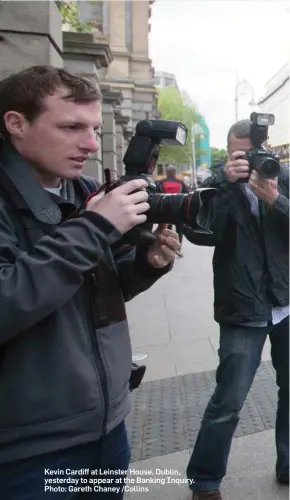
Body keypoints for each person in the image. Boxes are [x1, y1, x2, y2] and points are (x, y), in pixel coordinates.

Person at [0, 65, 181, 500]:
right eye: (71, 127)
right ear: (15, 123)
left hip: (106, 426)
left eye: (95, 128)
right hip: (28, 451)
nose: (90, 144)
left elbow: (92, 293)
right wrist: (96, 227)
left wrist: (145, 264)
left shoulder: (81, 190)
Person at [185, 119, 289, 500]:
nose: (249, 162)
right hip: (242, 307)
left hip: (285, 303)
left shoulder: (282, 177)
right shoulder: (216, 183)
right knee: (228, 399)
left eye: (254, 154)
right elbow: (201, 232)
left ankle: (288, 463)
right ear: (229, 153)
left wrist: (275, 200)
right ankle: (205, 480)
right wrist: (228, 185)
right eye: (239, 156)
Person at [157, 164, 189, 256]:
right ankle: (178, 248)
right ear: (175, 172)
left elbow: (157, 195)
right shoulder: (180, 183)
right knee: (179, 230)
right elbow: (187, 195)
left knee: (165, 229)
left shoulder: (161, 182)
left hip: (165, 210)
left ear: (166, 172)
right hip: (178, 210)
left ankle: (166, 248)